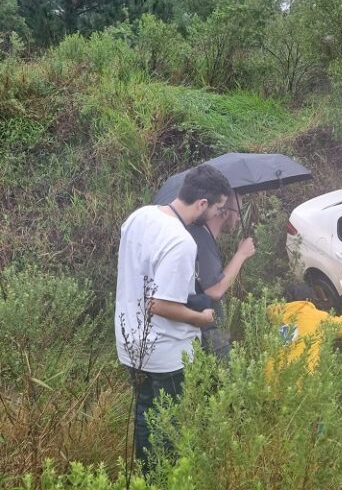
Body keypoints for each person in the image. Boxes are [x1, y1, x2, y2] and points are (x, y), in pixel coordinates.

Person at [114, 164, 231, 469]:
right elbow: (161, 305)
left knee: (144, 415)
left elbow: (146, 278)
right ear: (202, 203)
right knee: (167, 426)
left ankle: (144, 477)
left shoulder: (140, 216)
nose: (220, 214)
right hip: (165, 353)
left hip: (130, 342)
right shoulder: (182, 242)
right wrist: (202, 318)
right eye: (219, 208)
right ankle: (162, 478)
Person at [184, 189, 255, 359]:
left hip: (205, 333)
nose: (239, 218)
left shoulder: (202, 236)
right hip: (207, 336)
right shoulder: (200, 238)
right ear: (224, 211)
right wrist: (241, 255)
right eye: (238, 212)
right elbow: (214, 290)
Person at [267, 282, 342, 375]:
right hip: (299, 377)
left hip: (271, 375)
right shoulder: (314, 316)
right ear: (309, 299)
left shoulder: (279, 316)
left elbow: (290, 340)